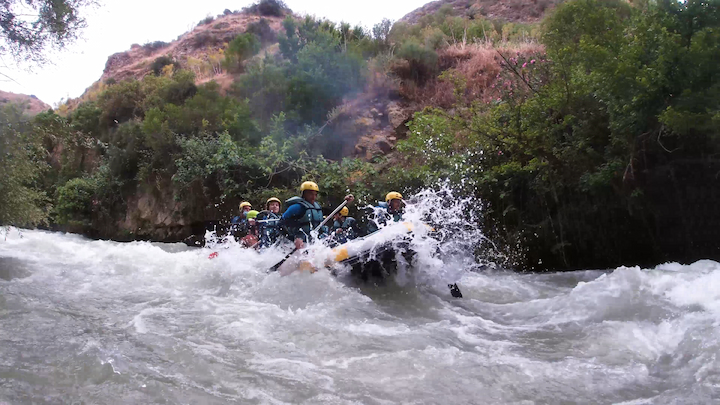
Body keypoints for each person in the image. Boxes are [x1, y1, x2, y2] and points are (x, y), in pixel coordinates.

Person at [280, 181, 354, 249]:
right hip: (296, 244)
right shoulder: (297, 207)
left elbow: (333, 211)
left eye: (315, 194)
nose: (313, 197)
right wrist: (295, 238)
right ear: (304, 194)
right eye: (310, 194)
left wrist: (345, 201)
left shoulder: (316, 207)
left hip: (313, 243)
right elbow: (280, 224)